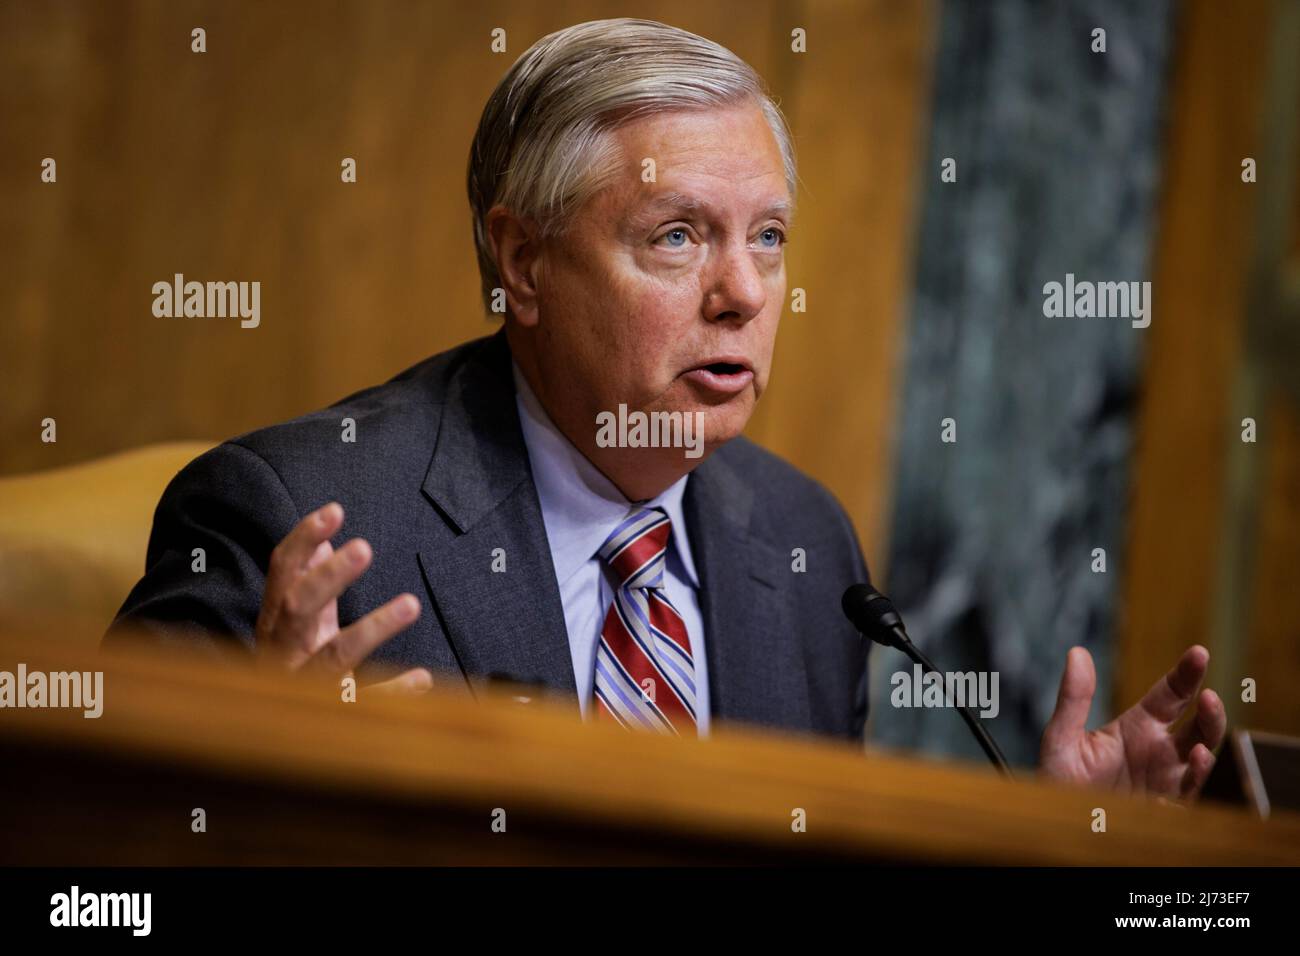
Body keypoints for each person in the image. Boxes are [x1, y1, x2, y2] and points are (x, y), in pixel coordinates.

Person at [108, 17, 1224, 798]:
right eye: (677, 236)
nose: (742, 292)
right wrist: (253, 788)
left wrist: (1061, 853)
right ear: (525, 260)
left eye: (769, 237)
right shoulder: (290, 511)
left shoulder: (800, 545)